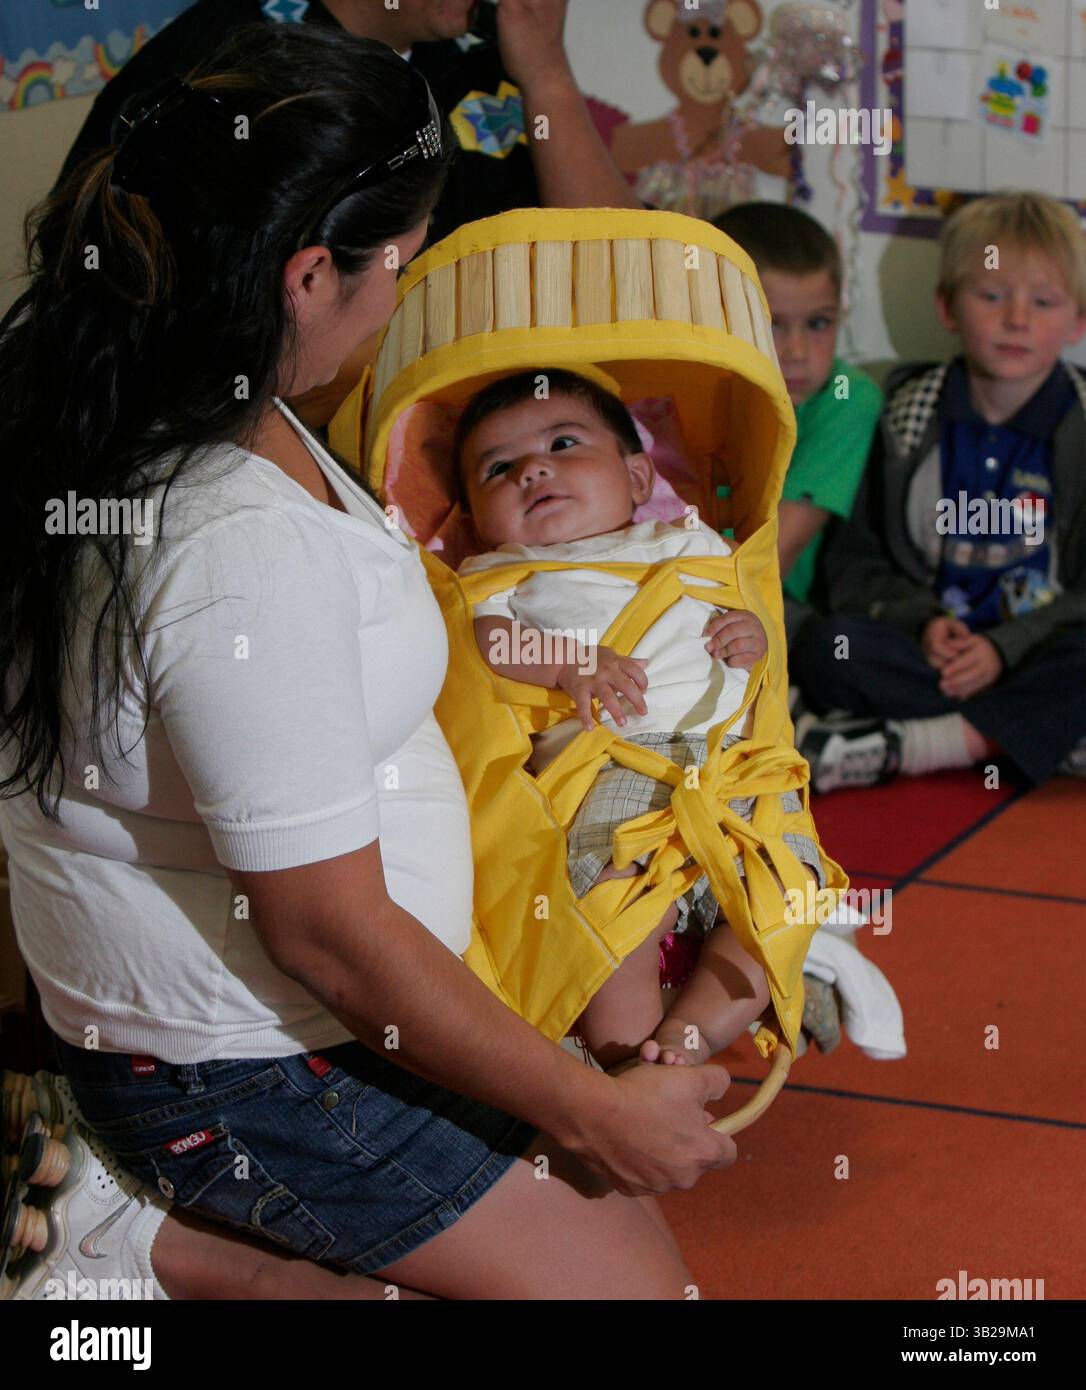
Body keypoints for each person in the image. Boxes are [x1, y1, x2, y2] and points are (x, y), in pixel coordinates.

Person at [0, 24, 737, 1304]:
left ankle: (172, 1253)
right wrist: (586, 1109)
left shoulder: (179, 392)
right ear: (302, 276)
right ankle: (131, 1253)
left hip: (287, 1026)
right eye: (399, 258)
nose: (404, 287)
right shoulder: (231, 543)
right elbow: (329, 936)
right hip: (258, 1064)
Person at [454, 369, 826, 1072]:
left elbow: (747, 626)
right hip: (616, 763)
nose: (534, 468)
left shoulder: (693, 545)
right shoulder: (508, 572)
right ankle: (628, 1057)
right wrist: (567, 665)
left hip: (734, 761)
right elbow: (489, 643)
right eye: (499, 468)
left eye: (563, 443)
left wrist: (754, 636)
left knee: (785, 899)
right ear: (474, 513)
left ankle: (689, 1037)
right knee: (617, 907)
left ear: (636, 476)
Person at [57, 1, 641, 429]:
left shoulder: (481, 58)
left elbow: (628, 278)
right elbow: (168, 352)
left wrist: (548, 75)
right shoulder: (236, 71)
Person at [791, 192, 1086, 792]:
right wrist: (924, 621)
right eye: (993, 296)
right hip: (930, 657)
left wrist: (1005, 648)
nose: (1017, 320)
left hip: (1038, 647)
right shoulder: (906, 419)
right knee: (830, 648)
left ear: (1078, 322)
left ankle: (922, 744)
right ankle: (1031, 732)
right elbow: (855, 568)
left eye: (1044, 302)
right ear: (948, 307)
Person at [713, 203, 882, 648]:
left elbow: (772, 560)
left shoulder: (845, 396)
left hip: (767, 602)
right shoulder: (691, 387)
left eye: (819, 323)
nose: (798, 351)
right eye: (771, 324)